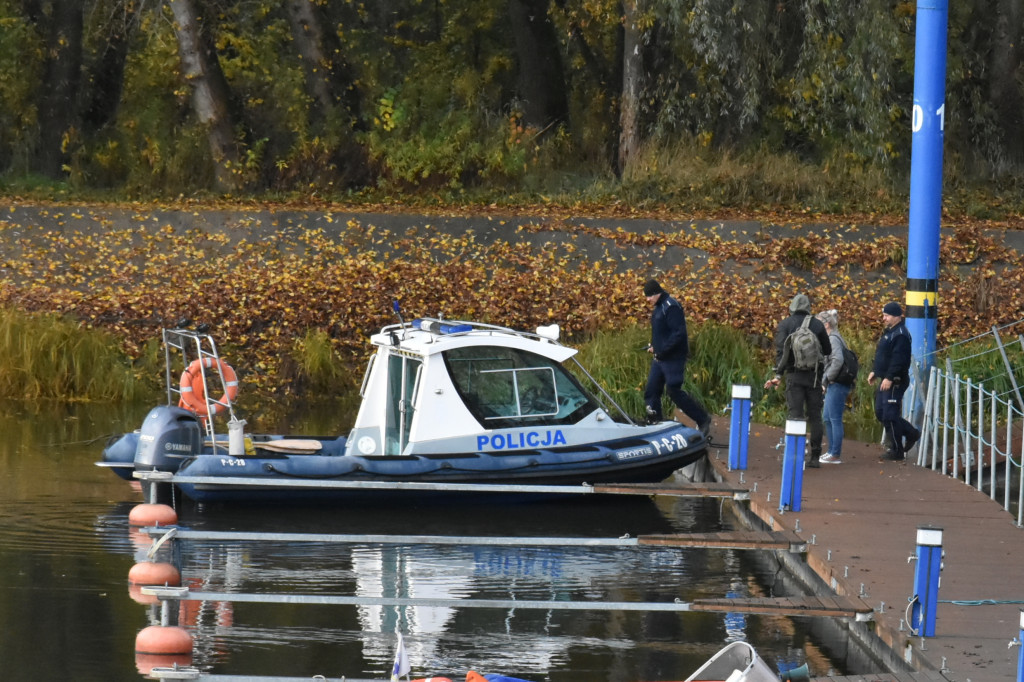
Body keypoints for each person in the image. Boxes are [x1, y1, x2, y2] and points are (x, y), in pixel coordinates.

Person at [763, 294, 832, 467]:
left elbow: (781, 352)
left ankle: (795, 455)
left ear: (792, 307)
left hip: (794, 376)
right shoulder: (817, 324)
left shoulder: (785, 324)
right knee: (815, 416)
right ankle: (815, 457)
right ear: (808, 307)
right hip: (814, 377)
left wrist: (778, 375)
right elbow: (828, 349)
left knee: (796, 415)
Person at [642, 278, 712, 438]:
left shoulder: (671, 306)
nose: (647, 300)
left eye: (649, 296)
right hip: (659, 357)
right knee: (651, 390)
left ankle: (702, 419)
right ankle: (655, 422)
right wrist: (654, 347)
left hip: (672, 358)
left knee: (673, 391)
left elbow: (679, 334)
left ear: (656, 293)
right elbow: (662, 333)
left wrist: (662, 350)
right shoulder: (659, 307)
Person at [867, 302, 921, 462]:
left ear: (897, 316)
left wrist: (890, 377)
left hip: (895, 380)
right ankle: (911, 433)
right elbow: (883, 354)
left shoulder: (901, 335)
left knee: (890, 414)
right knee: (881, 412)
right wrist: (875, 371)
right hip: (885, 378)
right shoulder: (890, 332)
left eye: (887, 315)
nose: (884, 318)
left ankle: (897, 450)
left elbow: (899, 359)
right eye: (883, 315)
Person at [816, 309, 852, 464]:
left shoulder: (833, 339)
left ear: (826, 324)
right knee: (827, 418)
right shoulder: (831, 337)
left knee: (834, 418)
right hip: (834, 383)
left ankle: (835, 453)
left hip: (837, 383)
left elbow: (837, 360)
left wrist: (826, 378)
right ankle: (831, 450)